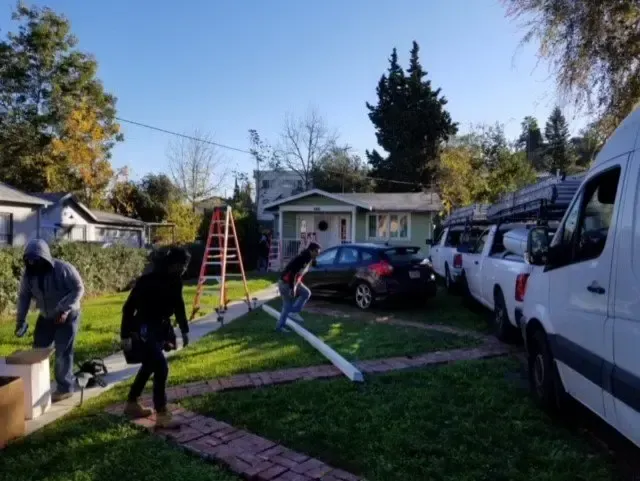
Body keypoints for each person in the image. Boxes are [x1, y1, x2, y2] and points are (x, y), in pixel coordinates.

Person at [120, 246, 191, 428]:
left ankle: (132, 403)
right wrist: (125, 335)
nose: (184, 268)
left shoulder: (175, 281)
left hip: (161, 327)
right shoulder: (147, 280)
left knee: (150, 365)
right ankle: (161, 413)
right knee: (161, 366)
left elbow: (178, 304)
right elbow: (128, 308)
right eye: (181, 264)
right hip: (143, 327)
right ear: (172, 263)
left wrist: (184, 329)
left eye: (186, 265)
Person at [15, 239, 85, 402]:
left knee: (62, 352)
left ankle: (65, 388)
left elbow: (79, 288)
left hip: (68, 315)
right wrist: (20, 320)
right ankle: (39, 385)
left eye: (36, 260)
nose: (33, 264)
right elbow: (24, 297)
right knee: (38, 351)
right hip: (46, 315)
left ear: (45, 257)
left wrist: (64, 309)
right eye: (29, 260)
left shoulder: (63, 269)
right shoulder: (29, 275)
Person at [276, 242, 320, 331]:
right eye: (317, 252)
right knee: (287, 305)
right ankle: (280, 327)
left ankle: (293, 312)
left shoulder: (309, 257)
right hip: (286, 282)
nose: (318, 254)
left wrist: (314, 260)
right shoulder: (302, 258)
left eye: (319, 252)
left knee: (306, 293)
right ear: (311, 250)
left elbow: (314, 264)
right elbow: (292, 274)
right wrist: (293, 288)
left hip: (295, 281)